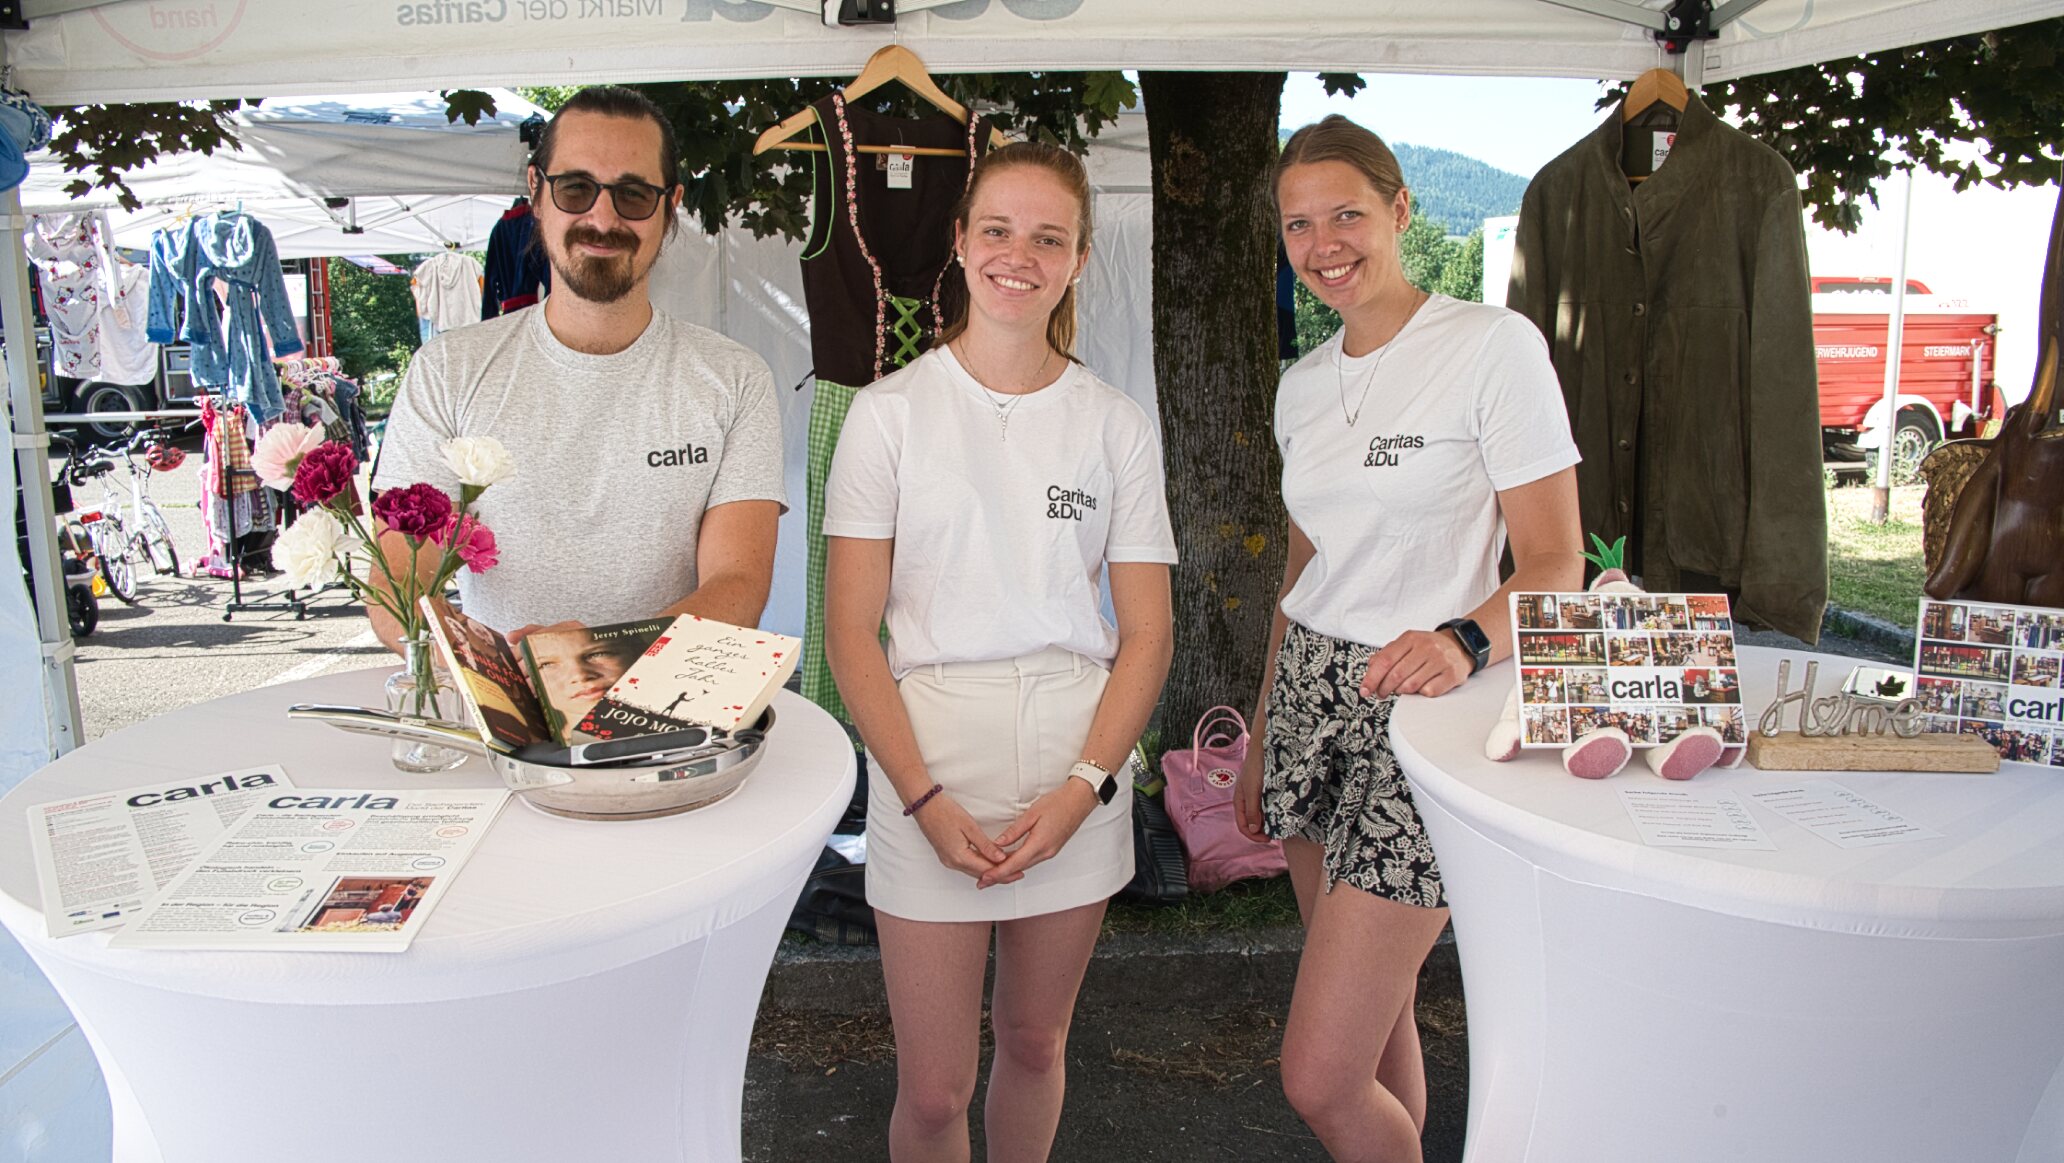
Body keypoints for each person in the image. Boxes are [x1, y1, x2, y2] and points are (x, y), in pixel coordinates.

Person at [1234, 115, 1583, 1163]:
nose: (1323, 243)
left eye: (1345, 213)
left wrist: (1465, 640)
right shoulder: (1302, 382)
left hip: (1424, 707)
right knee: (1377, 1026)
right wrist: (1264, 723)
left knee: (1320, 1072)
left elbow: (1556, 561)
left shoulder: (1490, 346)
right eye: (1299, 224)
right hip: (1310, 696)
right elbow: (1305, 572)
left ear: (1399, 209)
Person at [822, 142, 1175, 1163]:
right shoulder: (888, 414)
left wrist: (1084, 789)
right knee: (935, 1089)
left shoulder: (1115, 424)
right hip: (927, 758)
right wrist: (922, 798)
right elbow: (849, 632)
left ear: (1079, 259)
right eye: (998, 230)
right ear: (961, 241)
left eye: (1048, 238)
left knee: (1034, 1039)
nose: (1020, 256)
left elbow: (1148, 632)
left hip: (1076, 760)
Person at [368, 86, 785, 648]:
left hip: (667, 696)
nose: (602, 218)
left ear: (671, 206)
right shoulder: (448, 370)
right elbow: (398, 582)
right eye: (576, 188)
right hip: (497, 694)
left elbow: (737, 586)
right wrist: (493, 667)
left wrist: (587, 660)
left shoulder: (734, 379)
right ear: (536, 192)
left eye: (634, 194)